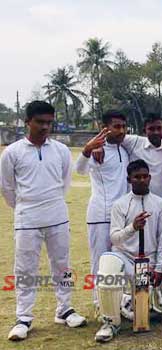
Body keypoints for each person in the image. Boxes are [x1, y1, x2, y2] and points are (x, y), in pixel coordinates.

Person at [1, 101, 86, 341]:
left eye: (49, 122)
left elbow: (64, 182)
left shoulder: (60, 150)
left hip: (57, 216)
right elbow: (7, 188)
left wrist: (51, 204)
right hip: (27, 217)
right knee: (25, 267)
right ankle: (23, 317)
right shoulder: (12, 152)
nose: (45, 127)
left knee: (62, 264)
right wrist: (24, 208)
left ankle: (65, 309)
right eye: (40, 122)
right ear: (27, 122)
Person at [94, 160, 162, 342]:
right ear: (129, 179)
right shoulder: (121, 204)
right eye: (137, 177)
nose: (142, 180)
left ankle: (155, 295)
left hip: (147, 263)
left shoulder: (160, 204)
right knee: (108, 264)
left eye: (145, 176)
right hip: (125, 258)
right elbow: (114, 238)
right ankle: (110, 322)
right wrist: (132, 227)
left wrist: (158, 268)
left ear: (150, 178)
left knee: (142, 316)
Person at [75, 110, 130, 305]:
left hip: (122, 217)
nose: (121, 131)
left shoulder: (124, 150)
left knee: (119, 260)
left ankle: (118, 301)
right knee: (100, 261)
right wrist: (87, 150)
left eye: (124, 127)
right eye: (116, 127)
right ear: (105, 128)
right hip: (101, 214)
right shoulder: (98, 149)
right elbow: (79, 170)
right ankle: (100, 303)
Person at [119, 112, 162, 199]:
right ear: (144, 131)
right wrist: (99, 147)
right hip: (135, 201)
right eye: (151, 129)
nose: (156, 132)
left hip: (159, 205)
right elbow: (111, 137)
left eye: (159, 128)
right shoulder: (135, 142)